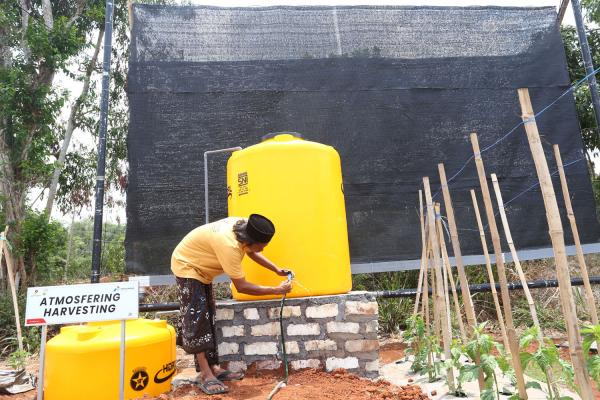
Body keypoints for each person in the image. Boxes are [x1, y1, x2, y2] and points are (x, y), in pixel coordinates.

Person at [171, 213, 293, 395]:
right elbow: (242, 286)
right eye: (263, 246)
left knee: (209, 316)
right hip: (187, 265)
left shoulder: (244, 226)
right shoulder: (228, 245)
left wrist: (275, 269)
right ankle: (205, 374)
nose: (263, 250)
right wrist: (276, 290)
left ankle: (214, 368)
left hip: (202, 269)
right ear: (250, 241)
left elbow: (252, 251)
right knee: (197, 321)